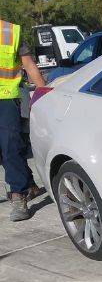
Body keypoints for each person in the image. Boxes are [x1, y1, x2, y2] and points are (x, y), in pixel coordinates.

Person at [1, 19, 46, 222]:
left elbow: (28, 65)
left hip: (7, 98)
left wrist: (45, 94)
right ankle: (29, 184)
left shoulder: (9, 32)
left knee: (10, 146)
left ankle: (18, 196)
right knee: (5, 151)